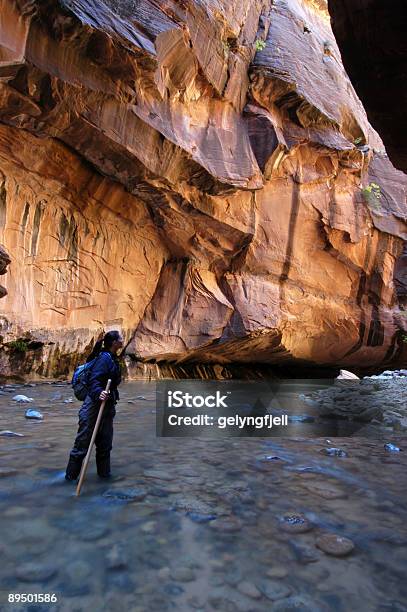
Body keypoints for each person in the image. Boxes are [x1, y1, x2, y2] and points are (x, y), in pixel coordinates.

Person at [65, 330, 123, 481]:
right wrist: (99, 393)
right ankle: (69, 480)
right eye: (120, 337)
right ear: (114, 342)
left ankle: (104, 480)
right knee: (81, 445)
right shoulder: (104, 358)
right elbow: (94, 381)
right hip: (93, 407)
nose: (123, 339)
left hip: (107, 407)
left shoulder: (113, 358)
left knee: (105, 446)